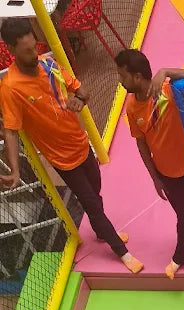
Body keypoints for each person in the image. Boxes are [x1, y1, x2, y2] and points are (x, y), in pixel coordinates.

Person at [0, 18, 142, 273]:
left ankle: (101, 231)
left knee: (96, 193)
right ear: (12, 49)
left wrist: (79, 100)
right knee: (92, 205)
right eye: (27, 51)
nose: (34, 54)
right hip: (63, 159)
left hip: (81, 144)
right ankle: (122, 252)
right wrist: (15, 169)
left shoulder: (49, 64)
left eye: (34, 47)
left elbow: (81, 91)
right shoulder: (10, 87)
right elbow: (11, 130)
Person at [115, 49, 184, 280]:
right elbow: (141, 144)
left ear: (137, 77)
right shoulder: (132, 107)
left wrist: (165, 71)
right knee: (183, 209)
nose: (120, 81)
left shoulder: (169, 90)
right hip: (164, 171)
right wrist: (154, 177)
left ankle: (179, 257)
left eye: (122, 76)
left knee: (183, 215)